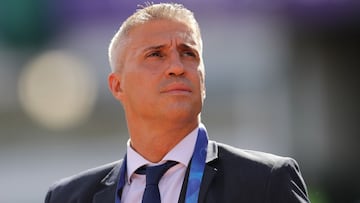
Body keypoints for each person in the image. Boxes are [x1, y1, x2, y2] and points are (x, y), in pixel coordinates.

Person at [45, 2, 310, 203]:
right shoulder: (68, 197)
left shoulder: (265, 181)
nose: (177, 67)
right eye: (155, 55)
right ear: (117, 85)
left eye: (188, 53)